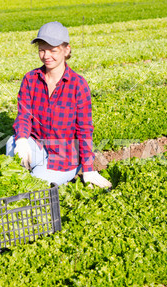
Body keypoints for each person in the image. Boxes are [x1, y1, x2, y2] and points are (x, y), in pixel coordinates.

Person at [6, 21, 111, 188]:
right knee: (12, 143)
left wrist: (89, 169)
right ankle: (32, 168)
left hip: (64, 158)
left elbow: (84, 129)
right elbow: (24, 115)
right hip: (39, 146)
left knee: (34, 186)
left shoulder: (78, 85)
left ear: (66, 50)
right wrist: (22, 140)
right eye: (42, 50)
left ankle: (49, 174)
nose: (46, 55)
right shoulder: (31, 79)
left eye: (53, 50)